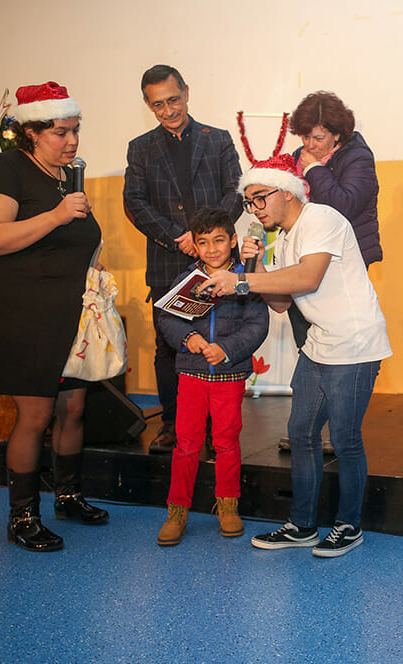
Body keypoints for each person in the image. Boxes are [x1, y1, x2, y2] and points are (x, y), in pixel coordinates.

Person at [201, 154, 391, 558]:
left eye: (259, 198)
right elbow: (282, 303)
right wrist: (252, 265)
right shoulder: (283, 239)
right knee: (302, 433)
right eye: (249, 202)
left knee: (344, 438)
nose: (254, 209)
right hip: (319, 344)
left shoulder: (320, 218)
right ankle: (303, 524)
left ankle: (348, 525)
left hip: (355, 344)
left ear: (286, 192)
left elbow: (308, 277)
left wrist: (240, 280)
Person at [0, 82, 109, 552]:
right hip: (25, 314)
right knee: (35, 415)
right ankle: (22, 516)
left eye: (76, 131)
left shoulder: (65, 176)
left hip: (70, 313)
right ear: (30, 133)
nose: (72, 141)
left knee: (73, 406)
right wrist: (55, 216)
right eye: (60, 132)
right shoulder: (6, 169)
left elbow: (76, 238)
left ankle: (68, 495)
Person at [124, 64, 243, 455]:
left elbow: (236, 192)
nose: (168, 110)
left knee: (217, 337)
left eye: (173, 99)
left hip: (218, 260)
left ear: (187, 92)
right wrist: (178, 239)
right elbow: (134, 203)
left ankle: (215, 429)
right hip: (166, 259)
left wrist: (208, 238)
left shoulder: (219, 140)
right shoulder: (140, 148)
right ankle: (174, 426)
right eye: (157, 104)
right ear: (147, 104)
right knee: (168, 347)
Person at [154, 208, 269, 546]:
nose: (212, 249)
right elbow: (168, 319)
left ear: (233, 241)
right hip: (191, 373)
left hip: (229, 375)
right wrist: (188, 340)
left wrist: (228, 349)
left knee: (226, 442)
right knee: (186, 444)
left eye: (219, 240)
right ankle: (177, 511)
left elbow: (258, 325)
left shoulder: (246, 280)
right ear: (195, 245)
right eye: (203, 242)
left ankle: (228, 506)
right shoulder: (186, 279)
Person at [279, 91, 382, 451]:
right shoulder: (300, 156)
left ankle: (335, 428)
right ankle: (308, 426)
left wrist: (313, 170)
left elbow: (344, 204)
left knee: (339, 351)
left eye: (318, 137)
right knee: (306, 341)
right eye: (305, 136)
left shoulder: (358, 158)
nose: (309, 145)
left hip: (344, 261)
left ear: (338, 134)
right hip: (304, 256)